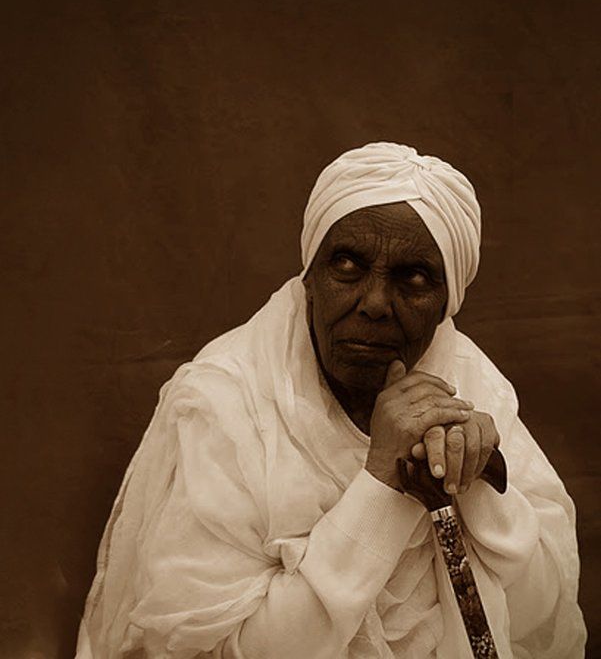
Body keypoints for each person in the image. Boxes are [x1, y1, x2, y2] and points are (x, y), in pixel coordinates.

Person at [76, 143, 586, 659]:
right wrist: (381, 481)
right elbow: (222, 650)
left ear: (445, 306)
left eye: (413, 277)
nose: (375, 304)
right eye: (347, 264)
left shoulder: (471, 383)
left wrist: (467, 479)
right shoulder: (227, 402)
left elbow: (540, 617)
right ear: (309, 280)